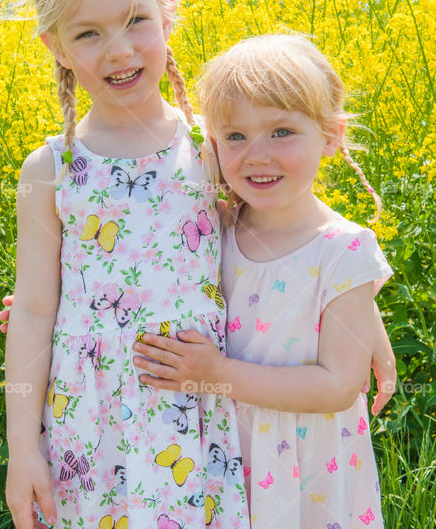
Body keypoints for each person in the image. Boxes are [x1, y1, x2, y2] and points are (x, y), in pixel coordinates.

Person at [2, 0, 249, 529]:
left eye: (136, 19)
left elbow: (281, 247)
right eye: (88, 33)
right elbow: (34, 311)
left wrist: (357, 306)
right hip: (90, 417)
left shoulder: (215, 148)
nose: (119, 50)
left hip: (197, 401)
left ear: (169, 15)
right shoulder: (50, 170)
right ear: (55, 46)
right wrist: (21, 449)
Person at [130, 34, 394, 528]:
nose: (256, 155)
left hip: (308, 467)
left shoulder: (347, 249)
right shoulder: (215, 226)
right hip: (225, 449)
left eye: (281, 132)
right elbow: (148, 274)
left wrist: (216, 373)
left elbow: (338, 386)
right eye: (234, 137)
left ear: (332, 136)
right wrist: (69, 307)